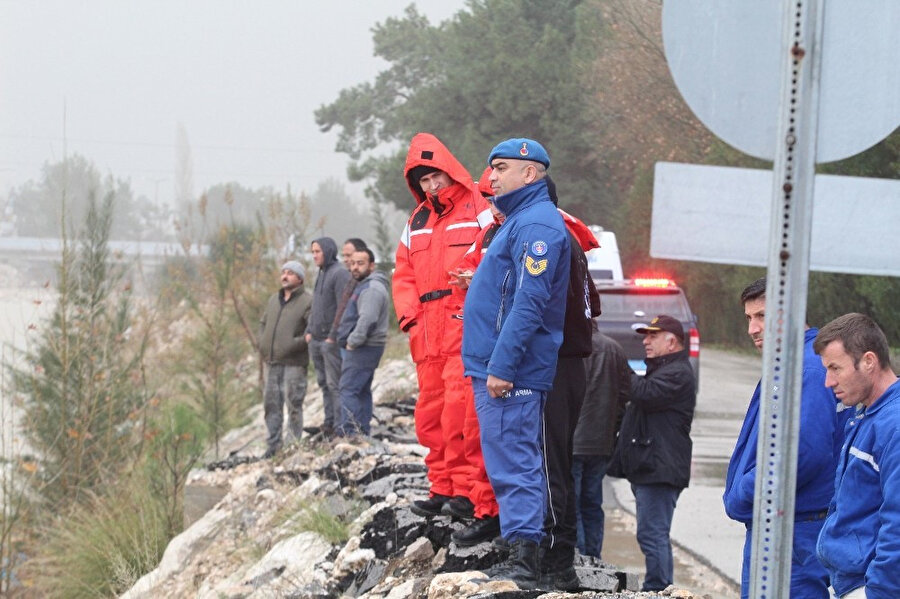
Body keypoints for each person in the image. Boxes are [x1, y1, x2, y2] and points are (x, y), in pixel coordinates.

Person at [462, 137, 570, 589]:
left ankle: (526, 566)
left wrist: (502, 366)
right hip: (493, 363)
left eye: (502, 167)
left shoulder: (538, 225)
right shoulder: (518, 221)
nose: (492, 176)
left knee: (516, 461)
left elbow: (529, 302)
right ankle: (518, 553)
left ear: (532, 172)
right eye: (491, 168)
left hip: (511, 370)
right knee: (505, 459)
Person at [722, 277, 846, 599]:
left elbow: (804, 453)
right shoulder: (792, 362)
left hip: (791, 534)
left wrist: (744, 492)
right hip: (785, 528)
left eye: (763, 316)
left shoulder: (805, 369)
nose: (752, 329)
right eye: (749, 318)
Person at [393, 133, 492, 517]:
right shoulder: (416, 220)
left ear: (450, 171)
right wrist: (411, 322)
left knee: (461, 412)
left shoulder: (479, 207)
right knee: (430, 414)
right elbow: (402, 274)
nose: (432, 186)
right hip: (427, 333)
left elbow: (491, 253)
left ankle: (467, 492)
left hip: (462, 325)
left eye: (437, 176)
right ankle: (442, 487)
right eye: (424, 181)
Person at [538, 179, 602, 591]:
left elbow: (535, 305)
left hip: (556, 364)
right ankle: (554, 557)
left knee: (550, 466)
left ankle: (555, 561)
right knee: (553, 462)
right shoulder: (568, 238)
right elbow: (593, 303)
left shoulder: (551, 239)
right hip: (567, 363)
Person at [814, 313, 900, 599]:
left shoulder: (894, 425)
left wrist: (877, 592)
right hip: (849, 582)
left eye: (835, 368)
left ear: (868, 362)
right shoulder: (864, 413)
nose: (828, 381)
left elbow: (897, 522)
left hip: (871, 588)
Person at [608, 314, 696, 592]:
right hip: (651, 466)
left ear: (672, 342)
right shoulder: (664, 369)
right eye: (645, 336)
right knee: (652, 532)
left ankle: (658, 588)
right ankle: (659, 587)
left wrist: (617, 361)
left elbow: (644, 393)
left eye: (652, 336)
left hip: (660, 468)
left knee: (652, 533)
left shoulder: (678, 373)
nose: (645, 341)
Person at [572, 323, 630, 560]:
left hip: (573, 441)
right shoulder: (614, 349)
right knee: (593, 502)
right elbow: (626, 393)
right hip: (602, 441)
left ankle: (579, 556)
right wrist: (612, 426)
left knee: (571, 503)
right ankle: (594, 556)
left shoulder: (571, 348)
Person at [258, 261, 313, 458]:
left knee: (294, 404)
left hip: (294, 363)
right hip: (271, 361)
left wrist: (296, 344)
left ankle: (292, 446)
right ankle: (273, 445)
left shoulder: (307, 300)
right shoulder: (274, 299)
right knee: (271, 405)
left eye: (290, 273)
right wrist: (262, 343)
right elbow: (263, 323)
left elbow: (310, 331)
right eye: (283, 272)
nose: (285, 276)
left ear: (300, 278)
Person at [335, 248, 389, 436]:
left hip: (364, 347)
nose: (355, 268)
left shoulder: (371, 289)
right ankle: (362, 431)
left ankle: (350, 433)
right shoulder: (365, 285)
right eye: (353, 263)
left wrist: (352, 341)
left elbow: (368, 319)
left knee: (348, 389)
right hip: (367, 346)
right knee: (361, 389)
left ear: (372, 266)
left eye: (361, 263)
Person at [305, 237, 351, 437]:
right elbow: (317, 306)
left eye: (317, 251)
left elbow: (343, 305)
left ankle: (342, 426)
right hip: (315, 338)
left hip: (330, 340)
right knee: (323, 383)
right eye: (312, 252)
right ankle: (329, 422)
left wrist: (334, 335)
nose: (314, 255)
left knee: (335, 384)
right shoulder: (321, 273)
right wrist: (308, 330)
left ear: (328, 251)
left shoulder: (339, 273)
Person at [330, 238, 369, 345]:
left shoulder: (367, 285)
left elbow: (366, 317)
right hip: (342, 338)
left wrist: (352, 340)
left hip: (356, 343)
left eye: (349, 255)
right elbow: (341, 309)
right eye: (344, 256)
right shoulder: (351, 280)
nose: (346, 260)